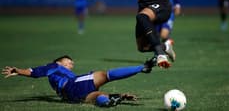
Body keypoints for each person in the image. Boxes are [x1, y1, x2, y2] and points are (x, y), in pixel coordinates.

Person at [2, 55, 155, 107]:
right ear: (59, 62)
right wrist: (18, 71)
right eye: (68, 61)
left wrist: (121, 95)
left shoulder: (58, 75)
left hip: (70, 97)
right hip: (72, 86)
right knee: (105, 75)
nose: (71, 64)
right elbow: (34, 72)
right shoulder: (54, 66)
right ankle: (143, 67)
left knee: (98, 96)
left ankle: (112, 99)